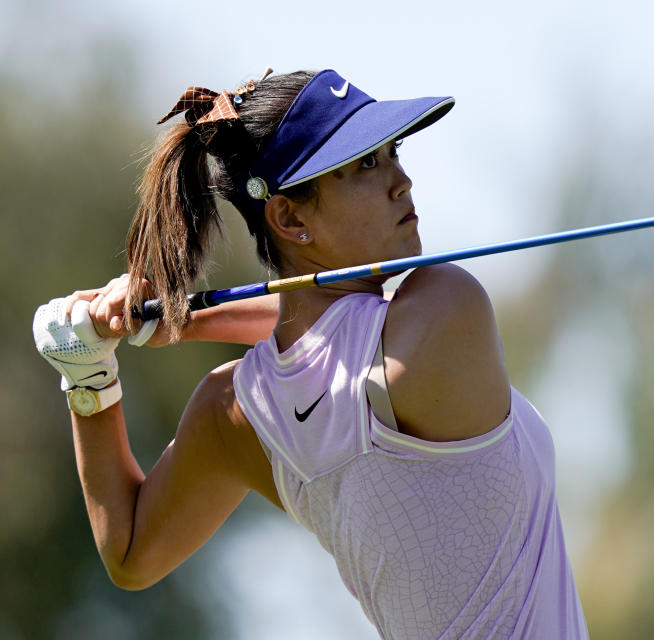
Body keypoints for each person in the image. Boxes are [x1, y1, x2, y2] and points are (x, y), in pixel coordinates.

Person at [33, 68, 589, 639]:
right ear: (291, 218)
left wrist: (89, 370)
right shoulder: (447, 305)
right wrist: (178, 323)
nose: (403, 182)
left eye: (391, 152)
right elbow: (335, 339)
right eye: (365, 165)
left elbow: (129, 552)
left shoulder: (238, 412)